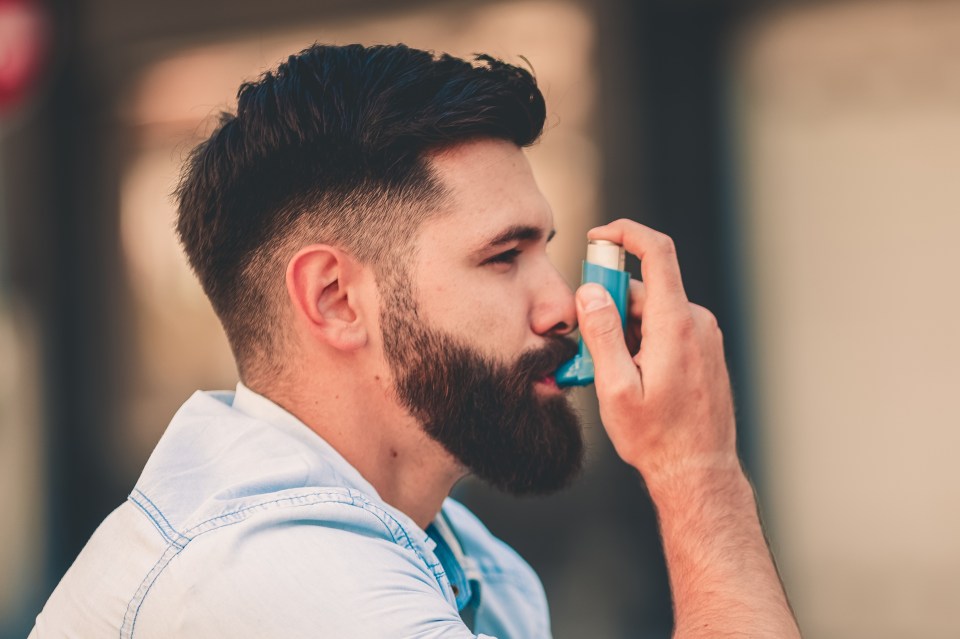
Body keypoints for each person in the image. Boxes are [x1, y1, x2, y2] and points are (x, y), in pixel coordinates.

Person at [30, 43, 799, 638]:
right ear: (335, 300)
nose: (563, 305)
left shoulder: (477, 568)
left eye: (545, 250)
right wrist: (699, 469)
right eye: (504, 255)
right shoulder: (270, 577)